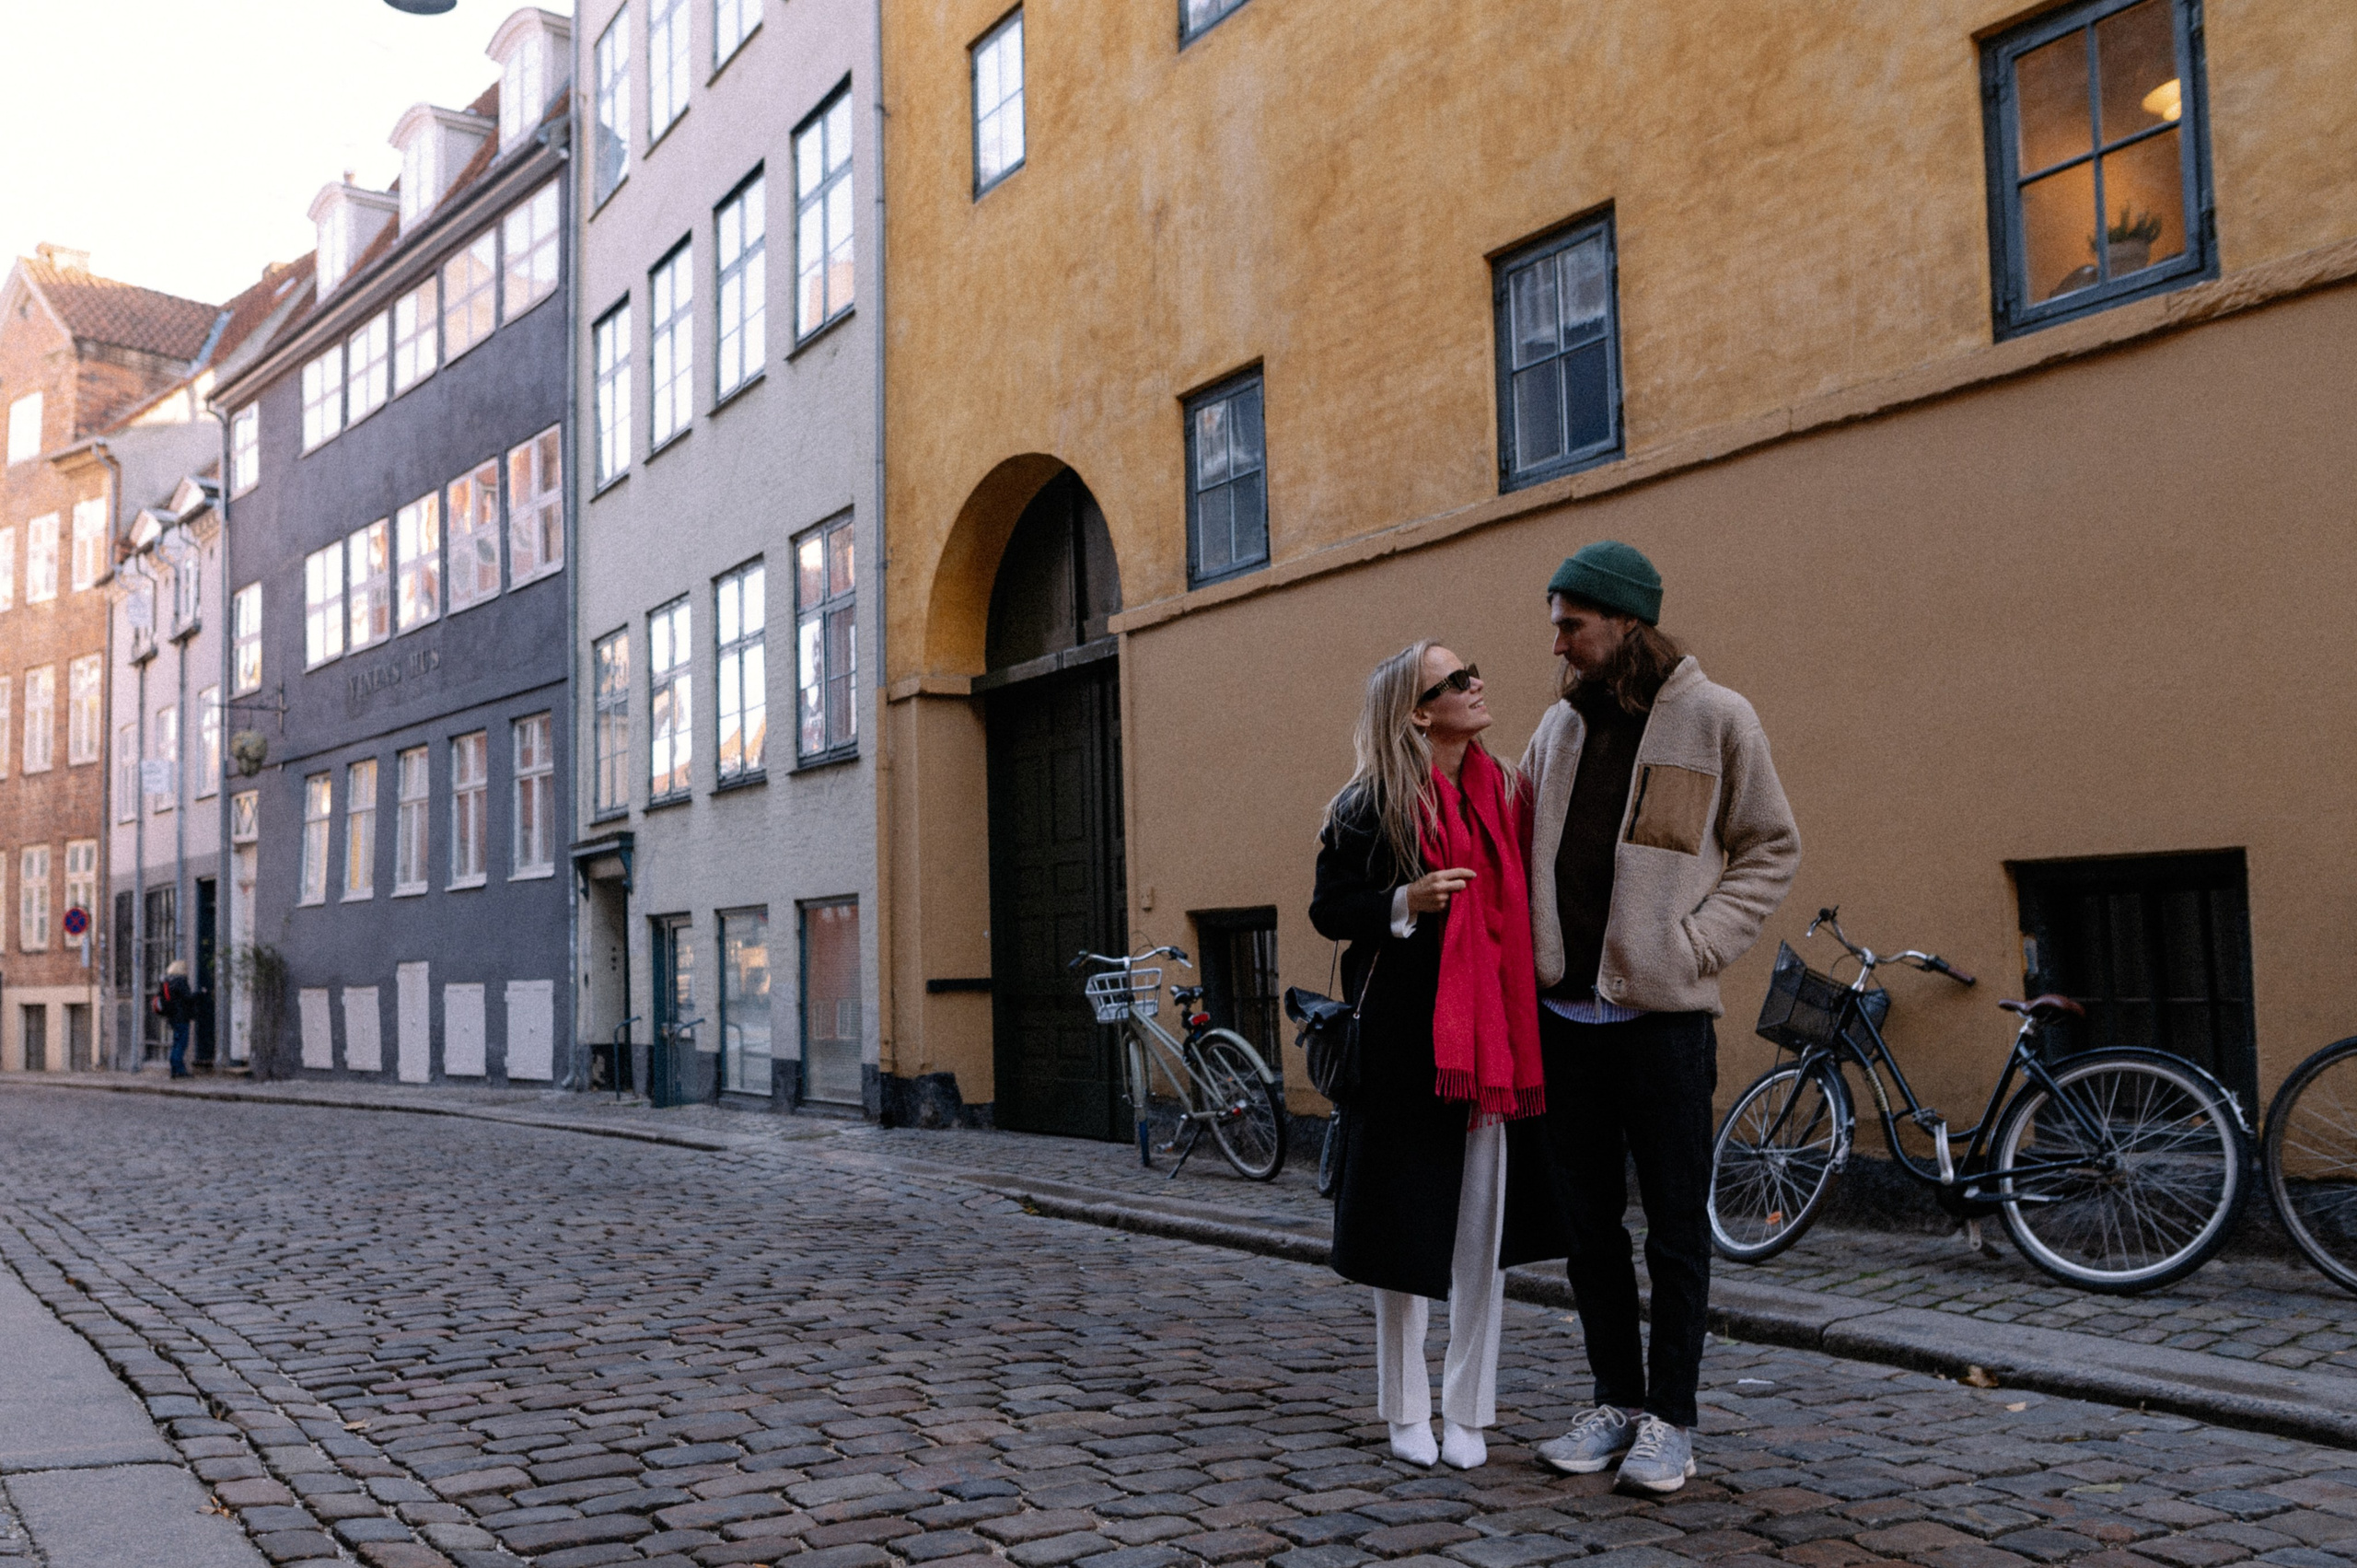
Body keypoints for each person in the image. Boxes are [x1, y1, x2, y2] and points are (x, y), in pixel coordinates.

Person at [1522, 541, 1800, 1493]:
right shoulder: (1553, 733)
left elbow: (1769, 845)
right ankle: (1613, 1399)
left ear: (1624, 623)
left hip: (1661, 1022)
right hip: (1564, 1017)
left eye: (1572, 624)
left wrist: (1696, 944)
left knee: (1677, 1229)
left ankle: (1671, 1419)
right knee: (1588, 1229)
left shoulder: (1717, 718)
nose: (1556, 642)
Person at [1311, 641, 1561, 1470]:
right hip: (1407, 1051)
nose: (1476, 684)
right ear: (1419, 712)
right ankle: (1405, 1406)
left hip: (1495, 1049)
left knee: (1479, 1238)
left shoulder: (1505, 794)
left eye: (1474, 670)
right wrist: (1402, 900)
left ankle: (1469, 1409)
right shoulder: (1368, 804)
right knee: (1405, 1237)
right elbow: (1327, 907)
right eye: (1455, 680)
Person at [157, 960, 198, 1078]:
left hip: (172, 1017)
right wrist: (199, 994)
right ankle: (179, 1069)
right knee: (181, 1043)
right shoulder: (180, 981)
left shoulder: (168, 982)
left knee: (176, 1042)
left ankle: (174, 1069)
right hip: (181, 1016)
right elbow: (187, 997)